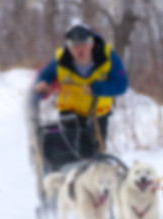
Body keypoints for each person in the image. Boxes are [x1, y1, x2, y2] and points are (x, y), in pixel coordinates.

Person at [35, 24, 128, 155]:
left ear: (91, 44)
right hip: (70, 113)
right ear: (68, 46)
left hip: (97, 115)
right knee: (70, 155)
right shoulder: (61, 58)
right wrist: (42, 84)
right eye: (74, 45)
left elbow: (121, 85)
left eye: (84, 44)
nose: (79, 49)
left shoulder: (107, 56)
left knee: (95, 156)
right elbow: (44, 76)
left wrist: (96, 88)